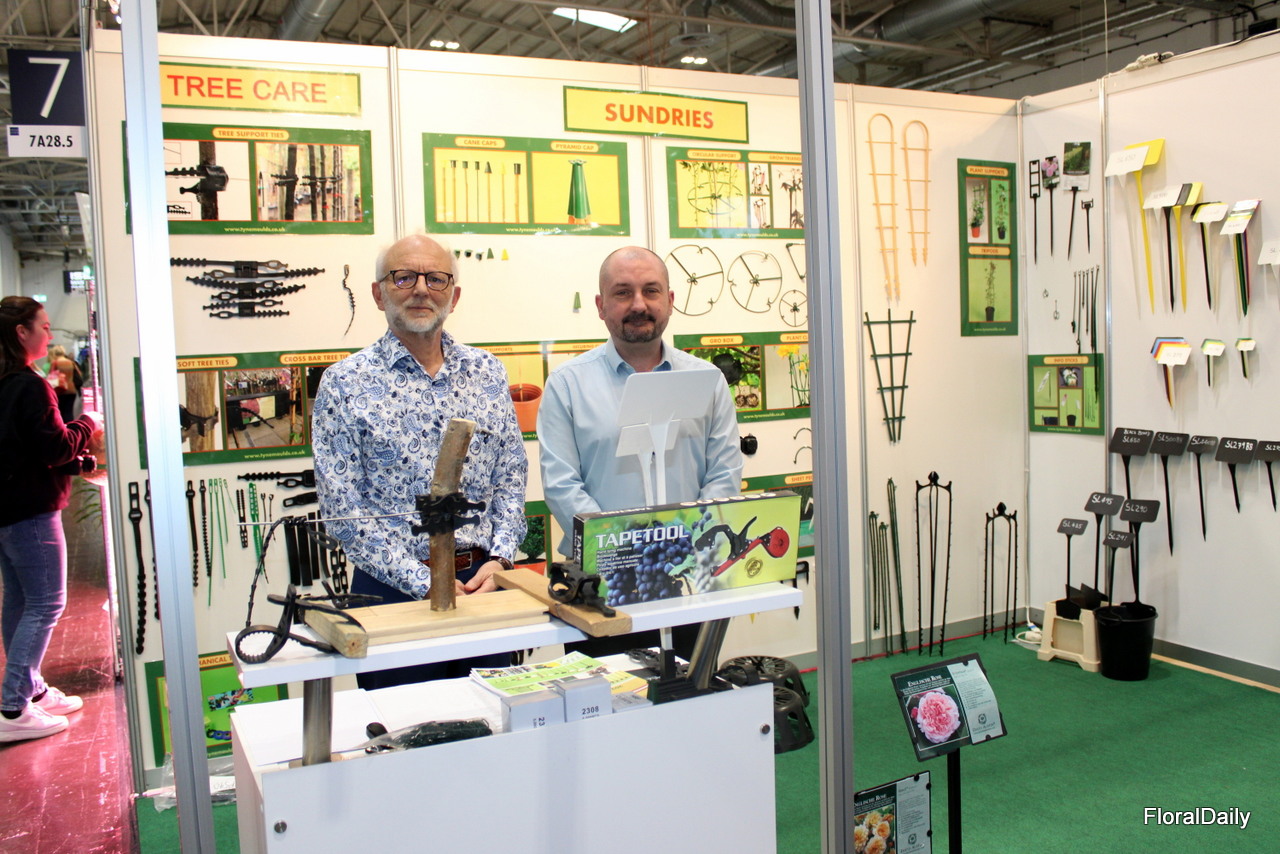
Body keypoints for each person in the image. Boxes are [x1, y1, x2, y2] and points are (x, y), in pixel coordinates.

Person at [312, 234, 527, 688]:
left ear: (455, 295)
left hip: (483, 585)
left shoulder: (487, 372)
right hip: (391, 593)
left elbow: (510, 478)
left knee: (496, 720)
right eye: (404, 277)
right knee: (403, 725)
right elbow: (343, 512)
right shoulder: (344, 383)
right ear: (378, 294)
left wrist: (501, 559)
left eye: (436, 278)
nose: (421, 290)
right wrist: (423, 580)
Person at [537, 246, 743, 658]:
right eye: (622, 292)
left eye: (651, 291)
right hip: (598, 587)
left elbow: (723, 474)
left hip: (691, 581)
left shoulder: (707, 380)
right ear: (600, 305)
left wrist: (690, 547)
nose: (638, 304)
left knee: (691, 690)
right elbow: (562, 486)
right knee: (603, 695)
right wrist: (622, 554)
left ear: (670, 300)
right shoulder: (567, 385)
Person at [0, 297, 104, 743]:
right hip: (30, 513)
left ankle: (32, 689)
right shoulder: (29, 386)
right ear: (21, 332)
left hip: (9, 510)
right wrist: (87, 423)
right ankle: (12, 706)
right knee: (46, 604)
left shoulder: (7, 383)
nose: (49, 333)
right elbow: (54, 447)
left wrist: (78, 465)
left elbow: (24, 451)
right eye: (43, 326)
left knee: (20, 601)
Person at [46, 345, 81, 424]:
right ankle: (70, 427)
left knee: (61, 412)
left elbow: (51, 376)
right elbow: (78, 374)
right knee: (69, 411)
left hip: (60, 390)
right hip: (72, 389)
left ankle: (63, 428)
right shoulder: (70, 362)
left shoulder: (55, 363)